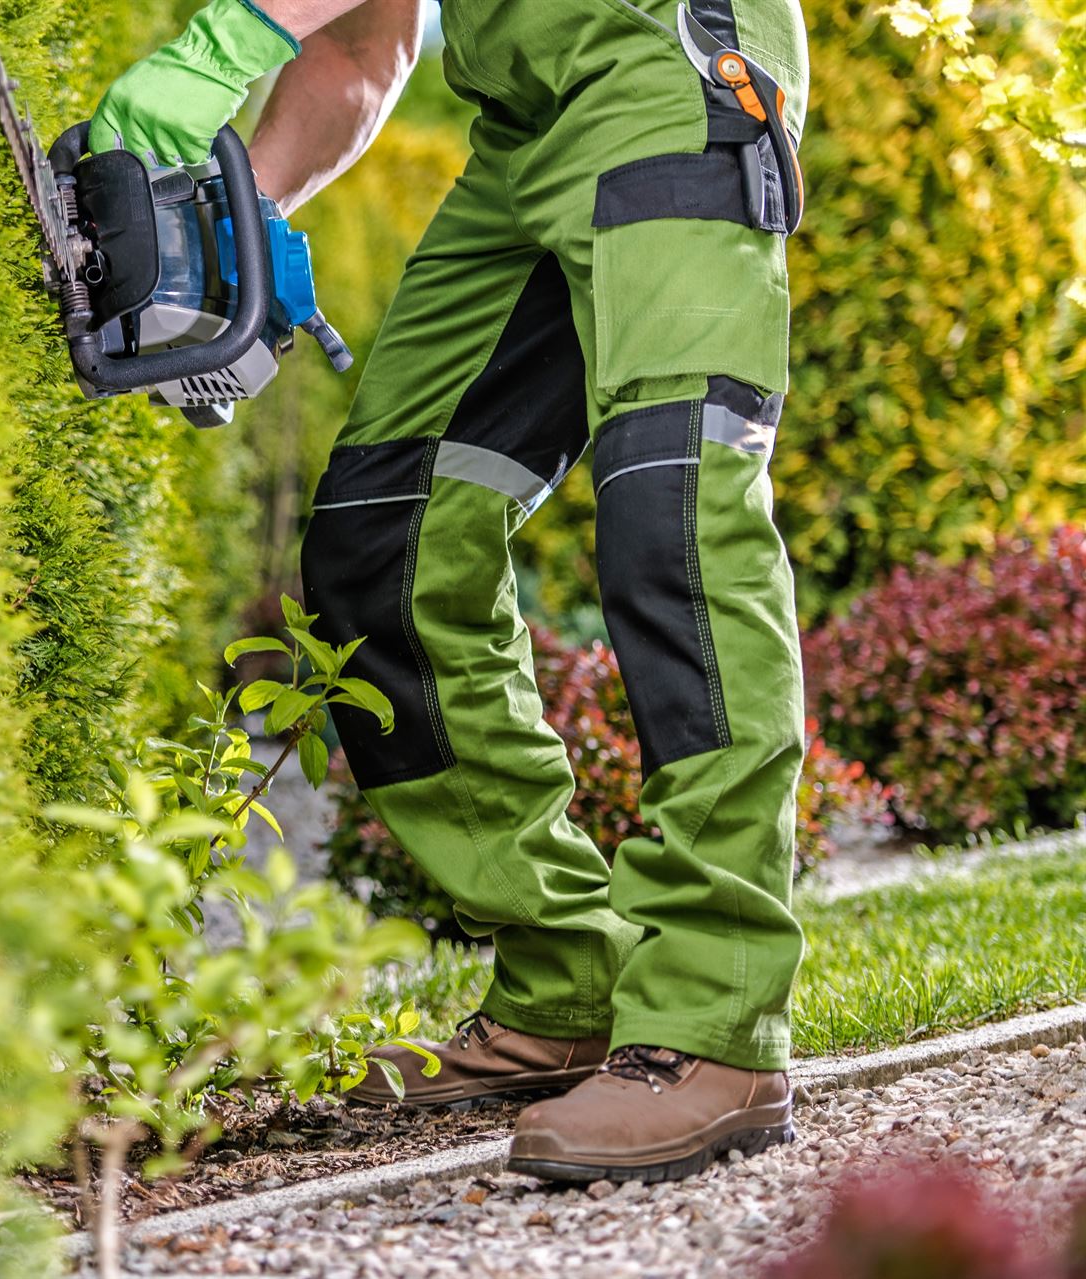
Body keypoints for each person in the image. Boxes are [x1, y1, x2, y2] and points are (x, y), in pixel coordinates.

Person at [90, 0, 810, 1183]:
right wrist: (239, 212)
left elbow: (283, 31)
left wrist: (212, 51)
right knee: (385, 541)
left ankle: (716, 1024)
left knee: (673, 512)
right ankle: (565, 977)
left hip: (671, 74)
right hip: (527, 136)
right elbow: (365, 53)